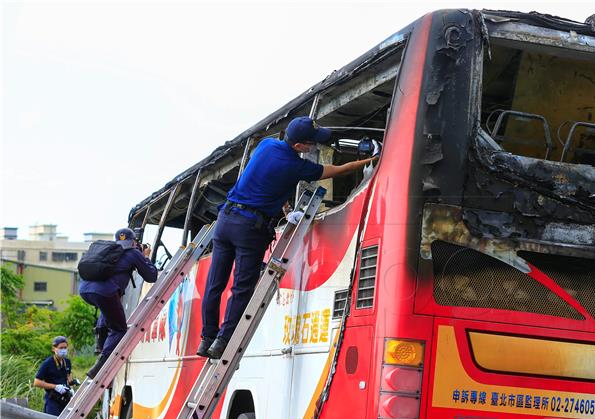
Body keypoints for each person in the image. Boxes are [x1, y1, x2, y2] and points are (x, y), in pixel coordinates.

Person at [198, 116, 376, 359]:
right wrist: (365, 162)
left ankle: (206, 337)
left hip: (226, 220)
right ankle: (222, 341)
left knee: (215, 284)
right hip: (249, 229)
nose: (315, 147)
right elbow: (334, 170)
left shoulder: (266, 145)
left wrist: (283, 205)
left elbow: (265, 179)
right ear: (300, 146)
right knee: (242, 287)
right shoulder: (296, 165)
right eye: (312, 143)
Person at [80, 228, 158, 378]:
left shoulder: (108, 252)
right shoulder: (134, 253)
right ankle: (101, 364)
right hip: (104, 292)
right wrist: (145, 257)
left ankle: (100, 342)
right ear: (134, 242)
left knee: (108, 306)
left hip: (85, 290)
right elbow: (151, 276)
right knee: (119, 329)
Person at [33, 336, 74, 419]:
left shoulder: (67, 362)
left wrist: (71, 385)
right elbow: (37, 382)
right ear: (54, 349)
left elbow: (68, 377)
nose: (63, 350)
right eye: (61, 348)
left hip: (64, 400)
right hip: (52, 401)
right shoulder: (48, 363)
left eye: (65, 348)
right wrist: (55, 386)